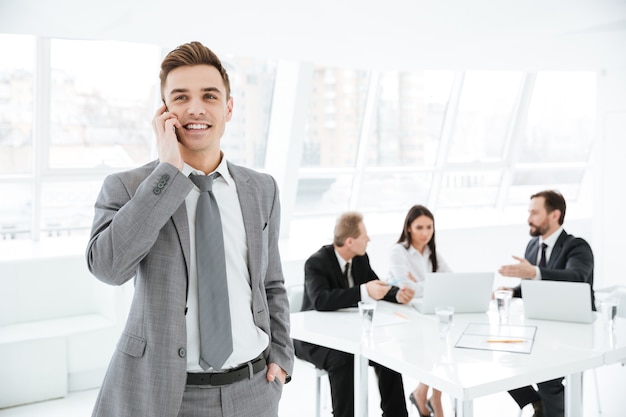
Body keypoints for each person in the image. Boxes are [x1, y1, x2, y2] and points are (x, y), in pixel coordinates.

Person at [85, 41, 293, 417]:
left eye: (209, 96)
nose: (196, 108)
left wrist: (281, 357)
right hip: (168, 397)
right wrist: (168, 173)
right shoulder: (129, 187)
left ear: (228, 108)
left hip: (256, 390)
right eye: (181, 97)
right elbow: (108, 269)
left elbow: (272, 283)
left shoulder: (262, 189)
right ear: (164, 112)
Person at [294, 211, 415, 417]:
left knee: (387, 354)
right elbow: (321, 301)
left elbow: (376, 286)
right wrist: (363, 291)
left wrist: (397, 295)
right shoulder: (316, 263)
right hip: (315, 339)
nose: (368, 239)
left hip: (350, 333)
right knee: (345, 358)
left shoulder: (360, 259)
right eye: (364, 235)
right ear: (350, 241)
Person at [498, 190, 594, 417]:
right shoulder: (533, 246)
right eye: (528, 212)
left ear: (554, 215)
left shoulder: (577, 246)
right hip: (540, 326)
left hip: (573, 330)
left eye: (534, 212)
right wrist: (511, 292)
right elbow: (532, 286)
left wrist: (535, 272)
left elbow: (576, 278)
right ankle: (537, 404)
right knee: (503, 358)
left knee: (548, 376)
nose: (528, 218)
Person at [387, 205, 451, 417]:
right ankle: (433, 399)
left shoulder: (432, 252)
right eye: (420, 227)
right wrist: (431, 283)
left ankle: (428, 394)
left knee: (444, 340)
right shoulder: (398, 252)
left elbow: (451, 281)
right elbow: (406, 288)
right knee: (440, 343)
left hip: (425, 311)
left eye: (429, 227)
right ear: (409, 228)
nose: (425, 233)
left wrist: (421, 284)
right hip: (402, 315)